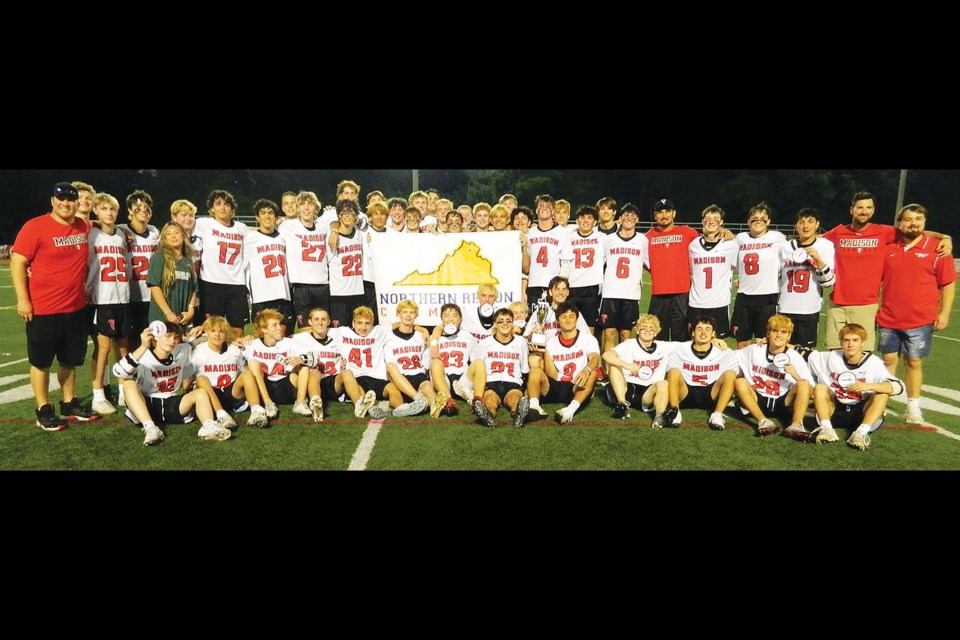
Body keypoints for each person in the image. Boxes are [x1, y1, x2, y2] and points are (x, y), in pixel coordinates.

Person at [11, 182, 98, 430]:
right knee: (41, 362)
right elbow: (18, 262)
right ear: (52, 201)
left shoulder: (82, 226)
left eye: (71, 199)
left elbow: (96, 224)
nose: (66, 203)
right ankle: (43, 408)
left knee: (69, 360)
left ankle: (69, 403)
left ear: (77, 203)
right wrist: (23, 299)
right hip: (43, 309)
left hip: (75, 308)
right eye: (61, 199)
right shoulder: (35, 226)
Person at [822, 191, 952, 351]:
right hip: (837, 303)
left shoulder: (884, 232)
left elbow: (914, 231)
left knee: (860, 355)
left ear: (873, 210)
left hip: (866, 304)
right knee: (834, 352)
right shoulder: (838, 232)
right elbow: (816, 241)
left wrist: (945, 237)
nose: (864, 211)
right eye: (860, 207)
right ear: (851, 210)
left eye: (868, 207)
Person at [877, 204, 956, 425]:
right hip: (889, 317)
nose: (913, 223)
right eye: (908, 219)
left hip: (920, 319)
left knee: (913, 361)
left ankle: (913, 407)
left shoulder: (937, 249)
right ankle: (881, 403)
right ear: (900, 223)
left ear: (924, 222)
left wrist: (945, 312)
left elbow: (948, 283)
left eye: (918, 219)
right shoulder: (888, 248)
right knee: (888, 359)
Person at [112, 322, 231, 446]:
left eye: (175, 337)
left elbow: (213, 339)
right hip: (147, 405)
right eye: (168, 336)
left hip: (171, 401)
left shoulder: (182, 350)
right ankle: (150, 428)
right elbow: (119, 372)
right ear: (156, 336)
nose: (172, 341)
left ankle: (209, 426)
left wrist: (203, 328)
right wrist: (143, 346)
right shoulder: (143, 356)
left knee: (200, 393)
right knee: (129, 384)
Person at [808, 324, 903, 450]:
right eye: (846, 340)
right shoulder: (830, 357)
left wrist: (868, 386)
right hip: (834, 410)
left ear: (863, 342)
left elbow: (898, 387)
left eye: (855, 340)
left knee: (882, 394)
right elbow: (801, 353)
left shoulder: (873, 363)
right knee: (820, 388)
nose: (850, 345)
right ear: (840, 342)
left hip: (861, 412)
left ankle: (860, 433)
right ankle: (826, 428)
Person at [85, 192, 132, 415]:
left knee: (123, 347)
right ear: (96, 211)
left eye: (112, 209)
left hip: (122, 296)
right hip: (101, 299)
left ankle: (124, 391)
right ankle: (98, 394)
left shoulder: (121, 235)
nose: (109, 213)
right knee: (102, 348)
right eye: (104, 209)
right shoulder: (90, 234)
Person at [733, 315, 815, 441]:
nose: (778, 335)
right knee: (740, 382)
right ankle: (763, 421)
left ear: (789, 337)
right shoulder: (755, 349)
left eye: (783, 332)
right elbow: (731, 356)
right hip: (758, 398)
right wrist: (718, 343)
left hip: (783, 401)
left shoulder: (794, 356)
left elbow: (810, 389)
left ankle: (796, 425)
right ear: (768, 333)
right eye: (775, 331)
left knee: (803, 383)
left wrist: (795, 375)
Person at [526, 302, 600, 424]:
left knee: (593, 373)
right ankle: (534, 407)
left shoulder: (588, 339)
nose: (568, 320)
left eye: (571, 316)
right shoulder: (551, 343)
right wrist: (545, 353)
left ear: (576, 319)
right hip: (558, 385)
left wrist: (586, 370)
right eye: (564, 317)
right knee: (534, 371)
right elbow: (552, 375)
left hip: (577, 386)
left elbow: (595, 358)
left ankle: (569, 411)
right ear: (558, 321)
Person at [193, 190, 250, 340]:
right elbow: (179, 226)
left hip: (236, 284)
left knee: (238, 332)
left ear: (232, 209)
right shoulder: (203, 224)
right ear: (211, 209)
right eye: (218, 204)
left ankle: (235, 362)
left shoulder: (242, 228)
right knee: (211, 330)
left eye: (227, 204)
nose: (223, 207)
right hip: (211, 284)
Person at [663, 315, 738, 430]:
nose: (703, 332)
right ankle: (675, 412)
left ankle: (717, 414)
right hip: (686, 391)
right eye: (699, 329)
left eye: (708, 329)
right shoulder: (681, 348)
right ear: (692, 333)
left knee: (731, 374)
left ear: (713, 334)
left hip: (711, 392)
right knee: (673, 371)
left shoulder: (724, 351)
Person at [602, 314, 678, 425]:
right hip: (625, 387)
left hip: (647, 392)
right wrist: (626, 365)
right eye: (644, 327)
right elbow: (606, 355)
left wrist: (713, 341)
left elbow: (688, 345)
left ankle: (660, 417)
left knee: (663, 383)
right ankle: (622, 405)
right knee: (614, 366)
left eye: (651, 328)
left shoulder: (664, 346)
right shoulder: (629, 344)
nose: (648, 330)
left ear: (656, 332)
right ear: (637, 330)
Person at [776, 208, 836, 348]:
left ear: (817, 224)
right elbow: (775, 274)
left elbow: (829, 282)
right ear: (796, 225)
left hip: (808, 310)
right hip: (785, 307)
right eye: (801, 222)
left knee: (804, 354)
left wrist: (818, 260)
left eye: (810, 221)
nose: (805, 226)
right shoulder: (785, 247)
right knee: (780, 350)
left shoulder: (824, 246)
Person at [599, 203, 649, 368]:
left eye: (633, 216)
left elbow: (650, 265)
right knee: (609, 334)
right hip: (611, 293)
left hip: (631, 295)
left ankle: (624, 369)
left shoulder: (642, 240)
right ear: (619, 219)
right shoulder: (609, 239)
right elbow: (600, 263)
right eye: (625, 216)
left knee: (626, 335)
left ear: (637, 220)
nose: (629, 219)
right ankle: (608, 372)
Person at [463, 308, 530, 429]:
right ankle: (487, 415)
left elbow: (525, 370)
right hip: (491, 381)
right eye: (501, 321)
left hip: (513, 381)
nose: (505, 323)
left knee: (515, 399)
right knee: (489, 400)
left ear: (513, 324)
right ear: (495, 324)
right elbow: (476, 365)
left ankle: (518, 414)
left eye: (508, 321)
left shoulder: (521, 342)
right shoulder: (484, 343)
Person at [731, 203, 787, 348]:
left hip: (767, 297)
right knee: (742, 341)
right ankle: (743, 371)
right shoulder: (740, 238)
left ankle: (761, 370)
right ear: (748, 221)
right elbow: (729, 261)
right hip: (744, 296)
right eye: (754, 218)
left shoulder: (777, 238)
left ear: (768, 221)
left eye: (762, 218)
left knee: (765, 341)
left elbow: (786, 263)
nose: (758, 221)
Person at [646, 198, 701, 341]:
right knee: (658, 338)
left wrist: (723, 231)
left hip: (681, 294)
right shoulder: (648, 237)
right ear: (655, 216)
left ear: (674, 214)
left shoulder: (687, 232)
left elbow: (707, 242)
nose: (664, 215)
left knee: (681, 338)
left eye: (667, 211)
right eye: (660, 212)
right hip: (658, 294)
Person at [190, 315, 260, 429]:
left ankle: (256, 411)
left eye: (221, 331)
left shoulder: (234, 349)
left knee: (247, 374)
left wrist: (248, 340)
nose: (217, 334)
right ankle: (221, 414)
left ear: (226, 334)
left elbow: (244, 369)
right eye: (213, 331)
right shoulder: (198, 350)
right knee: (201, 379)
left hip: (230, 392)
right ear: (206, 332)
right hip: (210, 394)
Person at [243, 308, 310, 424]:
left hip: (285, 385)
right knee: (252, 365)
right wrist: (240, 340)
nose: (280, 328)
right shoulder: (252, 345)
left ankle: (300, 402)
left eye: (279, 324)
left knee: (304, 367)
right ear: (263, 329)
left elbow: (313, 356)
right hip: (264, 386)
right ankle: (268, 403)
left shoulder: (288, 343)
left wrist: (300, 359)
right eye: (274, 325)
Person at [375, 300, 436, 418]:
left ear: (416, 315)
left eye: (412, 312)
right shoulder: (387, 334)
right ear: (398, 314)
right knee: (391, 370)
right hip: (398, 376)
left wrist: (424, 331)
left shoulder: (421, 336)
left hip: (417, 375)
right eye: (405, 312)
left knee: (428, 389)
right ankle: (415, 401)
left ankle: (427, 406)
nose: (408, 315)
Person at [278, 191, 330, 328]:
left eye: (310, 204)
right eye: (302, 204)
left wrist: (335, 229)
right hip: (301, 287)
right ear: (298, 208)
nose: (306, 208)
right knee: (306, 330)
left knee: (323, 329)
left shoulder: (323, 227)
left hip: (323, 285)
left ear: (316, 208)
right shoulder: (286, 227)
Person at [243, 198, 294, 335]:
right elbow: (243, 266)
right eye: (263, 213)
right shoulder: (250, 238)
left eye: (270, 213)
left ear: (276, 218)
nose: (267, 216)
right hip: (262, 295)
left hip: (283, 294)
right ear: (257, 217)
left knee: (284, 336)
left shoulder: (284, 237)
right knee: (263, 337)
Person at [687, 204, 738, 339]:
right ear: (702, 221)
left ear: (721, 222)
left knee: (718, 344)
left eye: (716, 218)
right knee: (694, 342)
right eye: (708, 218)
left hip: (719, 303)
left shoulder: (730, 245)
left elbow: (744, 267)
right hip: (696, 302)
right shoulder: (693, 245)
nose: (711, 221)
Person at [118, 190, 160, 349]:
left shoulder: (154, 231)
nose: (144, 209)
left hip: (153, 297)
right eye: (138, 206)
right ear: (129, 210)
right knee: (132, 342)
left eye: (147, 206)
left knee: (155, 340)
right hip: (130, 296)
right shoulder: (119, 230)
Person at [291, 307, 345, 422]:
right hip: (312, 381)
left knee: (347, 373)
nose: (320, 322)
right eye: (316, 319)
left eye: (323, 319)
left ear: (329, 322)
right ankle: (315, 402)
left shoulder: (337, 337)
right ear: (310, 322)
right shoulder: (299, 339)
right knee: (315, 372)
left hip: (332, 381)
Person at [337, 306, 392, 418]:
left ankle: (400, 409)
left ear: (372, 324)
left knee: (393, 389)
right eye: (359, 323)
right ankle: (362, 405)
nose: (363, 327)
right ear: (353, 323)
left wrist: (424, 330)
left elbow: (402, 324)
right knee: (359, 390)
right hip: (355, 377)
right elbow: (318, 330)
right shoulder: (342, 332)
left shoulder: (378, 331)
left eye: (367, 323)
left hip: (376, 376)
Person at [428, 303, 477, 415]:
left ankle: (477, 400)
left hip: (462, 380)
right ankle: (449, 401)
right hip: (444, 378)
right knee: (435, 363)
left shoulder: (467, 336)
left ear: (460, 319)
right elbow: (426, 365)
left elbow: (475, 358)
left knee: (479, 363)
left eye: (454, 315)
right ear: (441, 319)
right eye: (446, 315)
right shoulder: (434, 339)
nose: (450, 318)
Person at [146, 222, 198, 328]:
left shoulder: (188, 260)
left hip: (183, 317)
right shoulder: (159, 256)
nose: (173, 236)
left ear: (183, 235)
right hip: (163, 316)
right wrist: (168, 313)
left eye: (177, 233)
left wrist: (190, 311)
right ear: (164, 238)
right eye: (168, 234)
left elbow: (193, 288)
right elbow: (154, 286)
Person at [525, 194, 573, 303]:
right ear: (536, 210)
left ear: (553, 211)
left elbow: (566, 263)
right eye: (541, 205)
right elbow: (525, 263)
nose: (545, 207)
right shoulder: (530, 233)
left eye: (548, 206)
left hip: (553, 286)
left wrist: (559, 286)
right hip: (533, 284)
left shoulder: (563, 233)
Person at [327, 199, 367, 327]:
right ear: (339, 216)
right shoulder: (330, 235)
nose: (348, 215)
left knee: (358, 332)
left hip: (358, 292)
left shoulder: (360, 234)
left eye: (351, 213)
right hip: (338, 293)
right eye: (344, 213)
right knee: (338, 333)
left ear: (356, 216)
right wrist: (334, 229)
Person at [361, 201, 389, 321]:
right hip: (369, 282)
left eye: (382, 214)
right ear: (370, 218)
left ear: (387, 217)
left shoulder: (393, 234)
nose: (379, 217)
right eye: (375, 214)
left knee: (385, 317)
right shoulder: (362, 233)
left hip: (386, 283)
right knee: (370, 317)